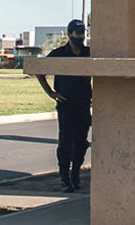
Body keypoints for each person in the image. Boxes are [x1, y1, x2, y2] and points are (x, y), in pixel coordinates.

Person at [36, 19, 91, 193]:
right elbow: (40, 71)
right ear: (69, 34)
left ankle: (75, 174)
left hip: (83, 104)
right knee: (66, 142)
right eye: (77, 33)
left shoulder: (88, 53)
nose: (80, 36)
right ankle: (64, 178)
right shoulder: (59, 53)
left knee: (81, 143)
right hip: (66, 104)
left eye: (82, 33)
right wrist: (51, 93)